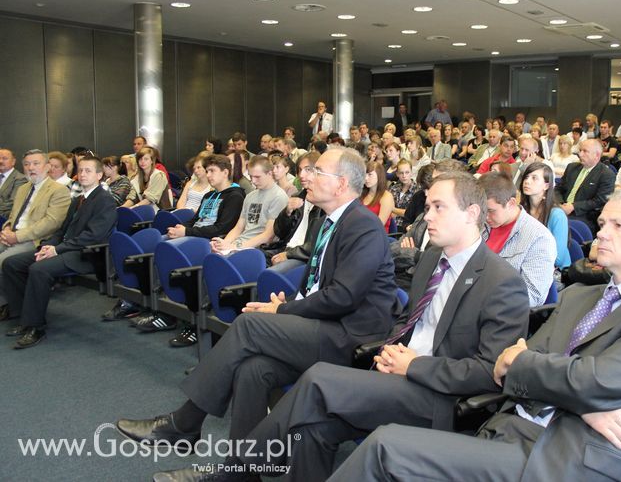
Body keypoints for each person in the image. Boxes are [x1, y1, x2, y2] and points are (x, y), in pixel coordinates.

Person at [153, 171, 531, 481]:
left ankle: (235, 472)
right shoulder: (433, 260)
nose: (426, 216)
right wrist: (389, 354)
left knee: (318, 379)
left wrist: (413, 365)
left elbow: (490, 372)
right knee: (312, 427)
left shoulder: (501, 281)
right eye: (427, 205)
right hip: (394, 375)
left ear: (471, 213)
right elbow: (407, 323)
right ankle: (248, 467)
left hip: (438, 397)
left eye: (438, 207)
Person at [328, 188, 621, 482]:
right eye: (603, 223)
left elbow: (593, 378)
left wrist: (565, 385)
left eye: (617, 226)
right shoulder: (578, 295)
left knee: (386, 448)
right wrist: (582, 400)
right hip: (508, 430)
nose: (601, 233)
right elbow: (505, 368)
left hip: (569, 460)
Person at [116, 147, 398, 460]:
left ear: (342, 184)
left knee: (249, 324)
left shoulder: (363, 226)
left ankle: (183, 424)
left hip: (350, 339)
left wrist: (283, 310)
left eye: (317, 171)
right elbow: (320, 284)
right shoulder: (328, 222)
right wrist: (289, 301)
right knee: (253, 369)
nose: (307, 176)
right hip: (324, 327)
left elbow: (343, 297)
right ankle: (241, 469)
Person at [2, 156, 116, 349]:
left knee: (39, 269)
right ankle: (22, 315)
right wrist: (48, 246)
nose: (82, 174)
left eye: (88, 171)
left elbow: (92, 236)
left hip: (87, 254)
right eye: (80, 170)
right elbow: (62, 231)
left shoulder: (105, 201)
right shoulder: (79, 199)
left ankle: (35, 327)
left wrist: (57, 249)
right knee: (11, 264)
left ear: (99, 175)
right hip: (66, 248)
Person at [0, 150, 71, 317]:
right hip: (14, 234)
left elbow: (51, 223)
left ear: (47, 167)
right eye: (27, 164)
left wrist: (17, 236)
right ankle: (6, 302)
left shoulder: (58, 190)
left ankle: (9, 305)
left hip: (36, 240)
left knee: (3, 261)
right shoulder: (23, 188)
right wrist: (7, 229)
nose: (31, 168)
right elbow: (13, 215)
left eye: (36, 163)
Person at [480, 173, 556, 306]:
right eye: (482, 210)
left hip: (499, 311)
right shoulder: (481, 224)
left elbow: (533, 296)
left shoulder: (539, 238)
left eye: (491, 211)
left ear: (511, 203)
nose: (485, 217)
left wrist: (483, 295)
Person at [556, 139, 616, 233]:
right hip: (561, 208)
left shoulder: (606, 175)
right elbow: (559, 188)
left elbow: (599, 201)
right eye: (580, 150)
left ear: (596, 155)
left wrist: (573, 206)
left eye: (585, 151)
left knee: (560, 226)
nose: (580, 154)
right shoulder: (572, 167)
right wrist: (559, 203)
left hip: (584, 215)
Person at [520, 162, 570, 270]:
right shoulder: (521, 211)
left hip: (555, 272)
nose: (527, 181)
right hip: (527, 264)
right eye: (526, 177)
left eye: (534, 178)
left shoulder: (557, 215)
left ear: (546, 186)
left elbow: (558, 258)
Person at [360, 161, 395, 233]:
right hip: (361, 233)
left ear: (379, 176)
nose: (366, 178)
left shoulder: (386, 196)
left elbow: (379, 225)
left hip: (376, 236)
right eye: (365, 174)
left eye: (370, 174)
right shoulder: (361, 194)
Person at [389, 159, 418, 230]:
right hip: (390, 224)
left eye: (407, 172)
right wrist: (400, 212)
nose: (404, 176)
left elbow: (412, 214)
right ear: (397, 174)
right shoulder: (393, 188)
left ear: (411, 173)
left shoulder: (417, 190)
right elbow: (387, 208)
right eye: (401, 173)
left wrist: (393, 209)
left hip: (405, 228)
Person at [0, 149, 28, 220]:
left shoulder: (21, 179)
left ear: (13, 161)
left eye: (4, 158)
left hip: (6, 218)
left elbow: (13, 203)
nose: (1, 161)